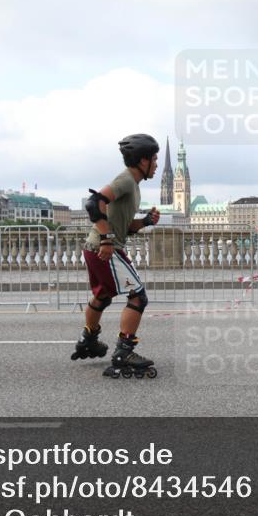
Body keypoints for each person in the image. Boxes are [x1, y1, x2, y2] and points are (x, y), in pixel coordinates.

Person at [71, 134, 161, 379]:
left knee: (102, 295)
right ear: (142, 161)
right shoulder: (126, 181)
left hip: (96, 247)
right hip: (104, 249)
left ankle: (88, 338)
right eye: (154, 159)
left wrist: (144, 222)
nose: (155, 164)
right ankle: (124, 351)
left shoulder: (133, 185)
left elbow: (122, 224)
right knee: (138, 297)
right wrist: (108, 240)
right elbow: (94, 203)